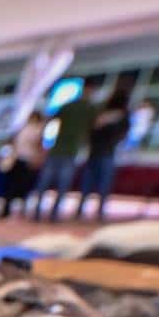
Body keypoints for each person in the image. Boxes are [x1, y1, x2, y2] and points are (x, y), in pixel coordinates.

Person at [33, 79, 99, 222]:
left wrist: (41, 140)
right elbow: (93, 128)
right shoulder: (87, 108)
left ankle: (45, 213)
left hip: (65, 151)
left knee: (50, 183)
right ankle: (47, 214)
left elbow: (49, 120)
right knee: (56, 184)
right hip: (65, 151)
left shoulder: (74, 106)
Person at [75, 86, 131, 220]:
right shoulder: (121, 116)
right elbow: (122, 134)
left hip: (98, 152)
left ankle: (84, 210)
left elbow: (91, 130)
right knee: (101, 184)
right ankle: (97, 211)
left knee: (90, 183)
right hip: (105, 152)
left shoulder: (103, 113)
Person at [1, 111, 46, 218]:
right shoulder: (38, 130)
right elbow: (39, 146)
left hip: (18, 159)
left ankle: (6, 211)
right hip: (28, 160)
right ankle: (20, 211)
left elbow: (12, 142)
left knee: (12, 186)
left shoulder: (22, 128)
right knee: (24, 187)